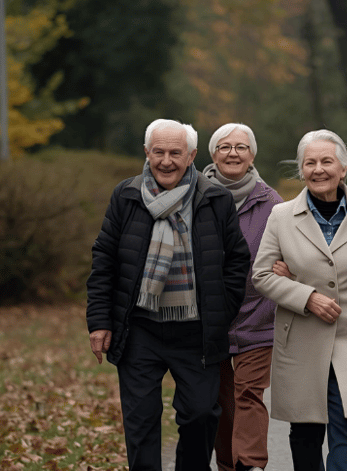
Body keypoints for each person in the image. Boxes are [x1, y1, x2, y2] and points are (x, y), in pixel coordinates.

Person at [87, 119, 251, 471]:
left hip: (197, 331)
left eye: (175, 153)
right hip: (139, 328)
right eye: (158, 152)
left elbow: (237, 260)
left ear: (191, 155)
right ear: (146, 153)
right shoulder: (126, 195)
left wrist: (220, 311)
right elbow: (104, 259)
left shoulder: (214, 198)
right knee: (141, 420)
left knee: (201, 414)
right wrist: (99, 321)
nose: (165, 161)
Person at [251, 129, 347, 471]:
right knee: (304, 433)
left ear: (343, 169)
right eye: (310, 163)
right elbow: (261, 275)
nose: (319, 169)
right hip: (301, 339)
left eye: (327, 161)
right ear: (301, 170)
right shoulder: (280, 217)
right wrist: (307, 297)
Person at [204, 123, 284, 471]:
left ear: (252, 154)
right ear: (212, 154)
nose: (232, 153)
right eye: (224, 147)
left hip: (258, 315)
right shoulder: (195, 196)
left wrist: (289, 268)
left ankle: (250, 465)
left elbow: (291, 247)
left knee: (249, 393)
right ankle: (227, 464)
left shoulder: (271, 203)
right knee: (220, 400)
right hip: (210, 318)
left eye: (240, 147)